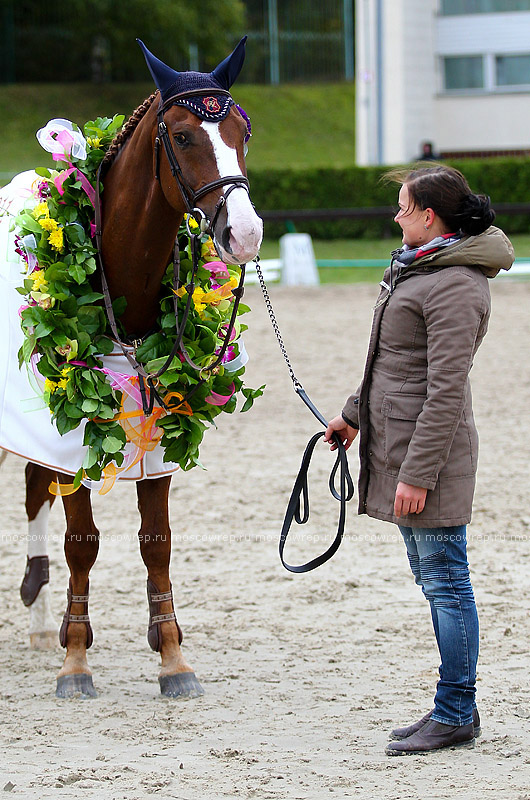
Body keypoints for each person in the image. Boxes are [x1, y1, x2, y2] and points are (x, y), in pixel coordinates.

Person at [324, 165, 514, 755]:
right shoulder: (420, 268)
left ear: (429, 216)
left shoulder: (454, 283)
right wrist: (354, 414)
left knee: (447, 582)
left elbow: (445, 388)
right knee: (436, 580)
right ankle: (454, 709)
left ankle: (456, 710)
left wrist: (417, 476)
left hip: (428, 456)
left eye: (403, 207)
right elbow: (392, 361)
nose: (396, 216)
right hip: (401, 443)